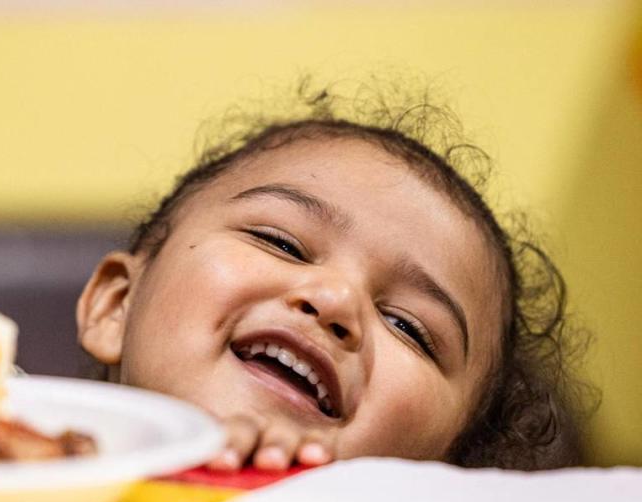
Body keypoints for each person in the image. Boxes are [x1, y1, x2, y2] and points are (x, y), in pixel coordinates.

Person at [75, 85, 593, 472]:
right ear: (117, 305)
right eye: (283, 244)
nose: (336, 300)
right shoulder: (5, 461)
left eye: (408, 326)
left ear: (447, 468)